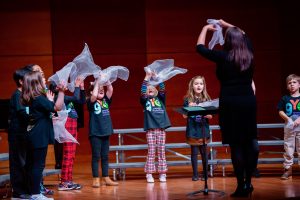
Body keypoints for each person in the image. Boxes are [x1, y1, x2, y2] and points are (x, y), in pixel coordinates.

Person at [196, 19, 258, 197]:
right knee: (250, 140)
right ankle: (248, 182)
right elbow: (244, 33)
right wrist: (225, 24)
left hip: (230, 103)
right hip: (248, 101)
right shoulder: (249, 53)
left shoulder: (223, 57)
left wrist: (205, 28)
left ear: (228, 41)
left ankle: (241, 186)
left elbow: (200, 47)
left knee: (236, 145)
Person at [21, 70, 66, 200]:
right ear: (36, 83)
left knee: (32, 164)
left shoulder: (31, 98)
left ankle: (32, 192)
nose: (44, 82)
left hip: (33, 135)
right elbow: (57, 107)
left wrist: (50, 100)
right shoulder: (39, 99)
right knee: (38, 165)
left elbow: (48, 112)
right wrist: (62, 91)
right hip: (39, 137)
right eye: (41, 80)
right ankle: (36, 194)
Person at [49, 76, 86, 191]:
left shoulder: (64, 97)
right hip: (67, 124)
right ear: (56, 88)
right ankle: (64, 182)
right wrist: (76, 85)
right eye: (60, 84)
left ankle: (68, 180)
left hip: (73, 123)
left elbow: (81, 100)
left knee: (72, 155)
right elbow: (75, 97)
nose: (64, 85)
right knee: (68, 154)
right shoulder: (59, 97)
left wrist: (82, 88)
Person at [140, 71, 171, 183]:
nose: (150, 89)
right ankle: (149, 173)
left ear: (156, 91)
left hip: (161, 129)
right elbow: (143, 91)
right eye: (148, 89)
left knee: (161, 151)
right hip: (151, 130)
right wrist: (147, 77)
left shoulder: (161, 99)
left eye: (152, 88)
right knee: (152, 152)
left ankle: (162, 173)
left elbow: (162, 89)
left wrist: (159, 79)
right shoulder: (145, 100)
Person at [86, 78, 118, 187]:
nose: (101, 89)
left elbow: (110, 89)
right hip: (95, 132)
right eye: (98, 89)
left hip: (106, 131)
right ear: (91, 92)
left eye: (102, 89)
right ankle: (96, 178)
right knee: (96, 156)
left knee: (105, 156)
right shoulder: (90, 101)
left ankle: (106, 177)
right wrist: (97, 83)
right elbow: (94, 95)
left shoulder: (105, 100)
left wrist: (106, 79)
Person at [8, 66, 33, 199]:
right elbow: (23, 113)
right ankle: (18, 191)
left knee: (25, 162)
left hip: (23, 134)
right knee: (18, 163)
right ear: (21, 81)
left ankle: (25, 190)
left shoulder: (23, 94)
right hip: (17, 135)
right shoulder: (17, 95)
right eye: (27, 79)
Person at [182, 76, 212, 181]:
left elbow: (210, 116)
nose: (199, 85)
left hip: (203, 129)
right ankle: (195, 174)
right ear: (192, 86)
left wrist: (202, 111)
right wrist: (190, 108)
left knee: (204, 153)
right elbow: (184, 116)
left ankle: (205, 174)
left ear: (204, 86)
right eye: (196, 84)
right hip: (193, 129)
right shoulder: (187, 99)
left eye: (201, 84)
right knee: (194, 153)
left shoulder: (207, 99)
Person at [277, 74, 300, 180]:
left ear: (299, 84)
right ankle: (288, 170)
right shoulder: (284, 98)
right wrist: (287, 119)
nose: (292, 84)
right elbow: (280, 111)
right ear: (287, 86)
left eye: (294, 82)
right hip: (289, 126)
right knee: (288, 148)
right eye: (289, 83)